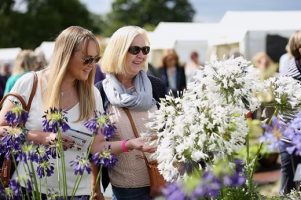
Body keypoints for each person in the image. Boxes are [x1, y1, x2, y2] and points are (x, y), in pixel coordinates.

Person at [94, 25, 166, 200]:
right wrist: (130, 144)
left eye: (145, 49)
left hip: (164, 181)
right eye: (134, 49)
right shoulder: (100, 92)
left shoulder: (156, 86)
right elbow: (96, 148)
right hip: (127, 189)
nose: (141, 55)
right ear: (118, 51)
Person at [278, 30, 301, 195]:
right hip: (291, 137)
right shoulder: (289, 74)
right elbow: (285, 110)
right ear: (298, 48)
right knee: (289, 183)